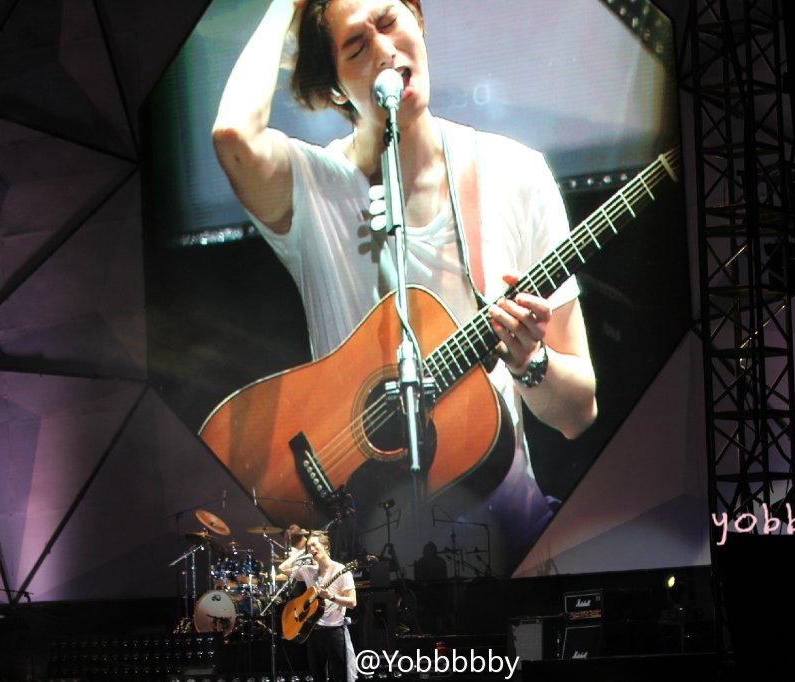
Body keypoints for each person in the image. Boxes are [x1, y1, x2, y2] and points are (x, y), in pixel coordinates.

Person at [212, 0, 598, 572]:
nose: (383, 50)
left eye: (390, 22)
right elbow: (232, 134)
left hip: (510, 547)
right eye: (355, 47)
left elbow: (578, 411)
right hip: (369, 573)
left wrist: (530, 363)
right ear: (336, 86)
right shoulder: (313, 189)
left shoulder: (515, 175)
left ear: (419, 21)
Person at [278, 532, 357, 682]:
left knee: (341, 675)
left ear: (326, 546)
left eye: (314, 545)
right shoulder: (308, 570)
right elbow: (282, 568)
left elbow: (352, 602)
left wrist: (331, 597)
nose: (311, 549)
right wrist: (301, 552)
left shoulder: (341, 570)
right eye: (309, 547)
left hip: (335, 631)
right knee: (318, 676)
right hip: (313, 631)